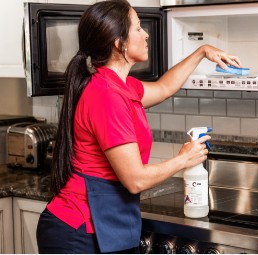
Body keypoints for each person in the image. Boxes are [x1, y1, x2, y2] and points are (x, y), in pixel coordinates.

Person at [35, 0, 242, 253]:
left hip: (102, 222)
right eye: (138, 28)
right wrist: (182, 160)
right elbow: (134, 180)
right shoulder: (106, 95)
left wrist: (202, 51)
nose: (146, 34)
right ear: (118, 42)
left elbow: (165, 87)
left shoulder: (121, 86)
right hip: (78, 229)